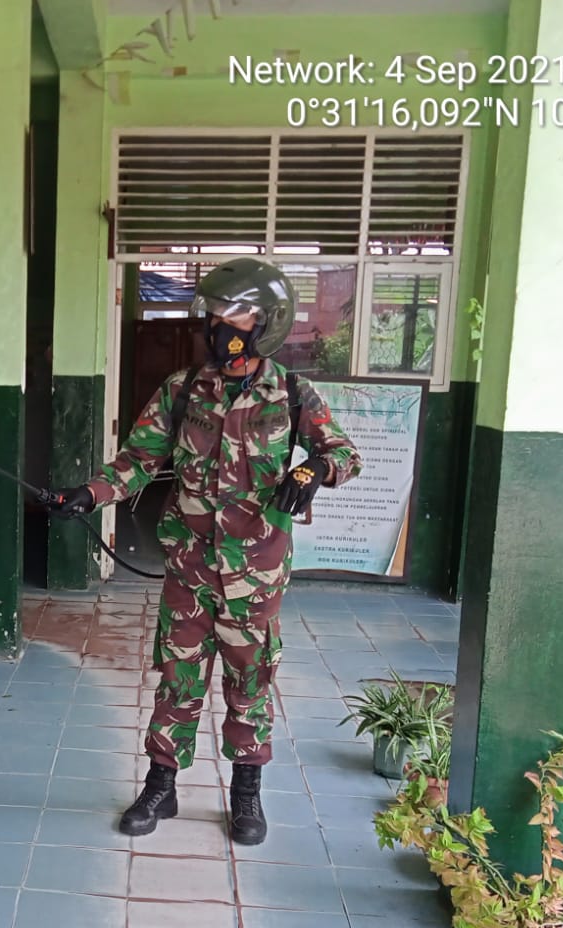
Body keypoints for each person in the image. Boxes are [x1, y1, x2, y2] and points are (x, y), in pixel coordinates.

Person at [48, 258, 361, 845]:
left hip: (255, 578)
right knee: (177, 680)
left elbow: (345, 452)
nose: (218, 326)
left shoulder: (293, 393)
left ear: (265, 322)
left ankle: (246, 796)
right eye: (213, 315)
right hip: (189, 571)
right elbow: (138, 461)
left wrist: (315, 468)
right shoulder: (184, 389)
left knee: (250, 685)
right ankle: (160, 787)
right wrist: (88, 494)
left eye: (233, 315)